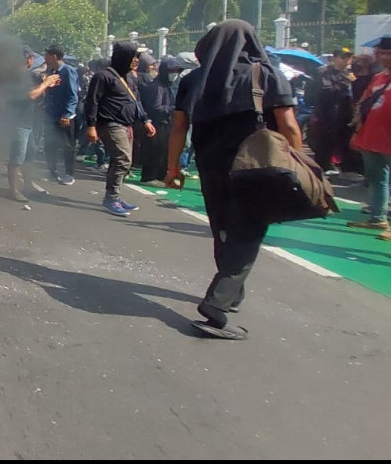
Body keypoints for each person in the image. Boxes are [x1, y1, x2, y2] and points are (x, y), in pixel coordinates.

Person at [165, 20, 303, 340]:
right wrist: (298, 163)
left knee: (224, 229)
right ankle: (218, 304)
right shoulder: (264, 74)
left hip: (209, 166)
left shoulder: (193, 80)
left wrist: (173, 167)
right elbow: (289, 125)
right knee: (248, 232)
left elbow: (179, 128)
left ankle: (232, 290)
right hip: (254, 167)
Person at [85, 41, 155, 216]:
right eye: (134, 56)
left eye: (138, 57)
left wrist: (145, 120)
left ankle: (114, 196)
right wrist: (91, 125)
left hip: (126, 124)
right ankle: (111, 198)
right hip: (110, 123)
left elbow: (136, 101)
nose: (137, 60)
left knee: (121, 161)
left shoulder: (129, 77)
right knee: (123, 159)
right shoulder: (103, 76)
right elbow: (92, 102)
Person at [347, 37, 391, 236]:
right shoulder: (379, 78)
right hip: (372, 138)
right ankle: (378, 218)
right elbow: (363, 105)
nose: (380, 57)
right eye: (380, 52)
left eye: (384, 53)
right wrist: (358, 131)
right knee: (376, 179)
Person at [9, 49, 61, 202]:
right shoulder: (15, 76)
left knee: (29, 156)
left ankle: (28, 185)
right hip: (18, 122)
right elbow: (30, 95)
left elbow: (34, 94)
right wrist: (46, 83)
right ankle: (14, 190)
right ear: (28, 59)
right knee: (17, 158)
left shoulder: (25, 76)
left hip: (28, 121)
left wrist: (46, 86)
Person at [305, 47, 356, 176]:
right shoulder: (323, 73)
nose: (347, 60)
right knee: (325, 142)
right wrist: (344, 82)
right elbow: (325, 91)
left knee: (347, 142)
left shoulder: (352, 74)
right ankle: (323, 167)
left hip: (347, 114)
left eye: (349, 57)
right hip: (326, 114)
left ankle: (349, 169)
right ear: (334, 58)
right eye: (343, 57)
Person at [138, 57, 183, 186]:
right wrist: (173, 109)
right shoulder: (157, 86)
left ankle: (161, 176)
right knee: (155, 151)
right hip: (157, 123)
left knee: (164, 151)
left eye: (177, 71)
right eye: (172, 71)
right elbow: (155, 107)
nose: (174, 74)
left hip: (167, 123)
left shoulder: (169, 86)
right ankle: (149, 177)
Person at [41, 45, 79, 185]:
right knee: (49, 145)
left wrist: (67, 114)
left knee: (67, 145)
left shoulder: (68, 71)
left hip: (64, 117)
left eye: (47, 55)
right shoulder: (51, 71)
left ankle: (69, 174)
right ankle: (52, 172)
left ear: (54, 56)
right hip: (50, 114)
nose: (45, 58)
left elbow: (73, 95)